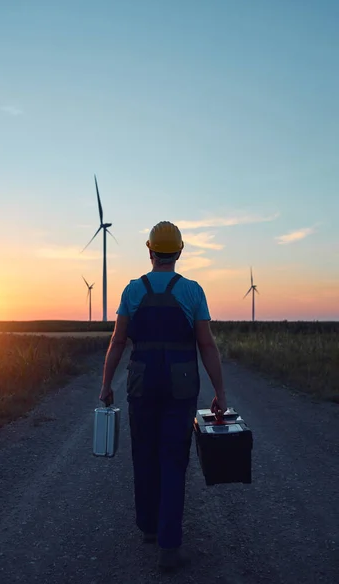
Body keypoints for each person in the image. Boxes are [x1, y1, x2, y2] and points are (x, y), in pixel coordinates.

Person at [99, 220, 227, 571]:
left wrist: (106, 384)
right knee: (173, 459)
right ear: (180, 252)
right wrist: (220, 391)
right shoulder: (193, 291)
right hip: (182, 384)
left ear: (150, 251)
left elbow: (118, 342)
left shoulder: (131, 290)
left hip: (141, 383)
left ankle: (149, 527)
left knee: (144, 454)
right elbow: (206, 344)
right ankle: (169, 547)